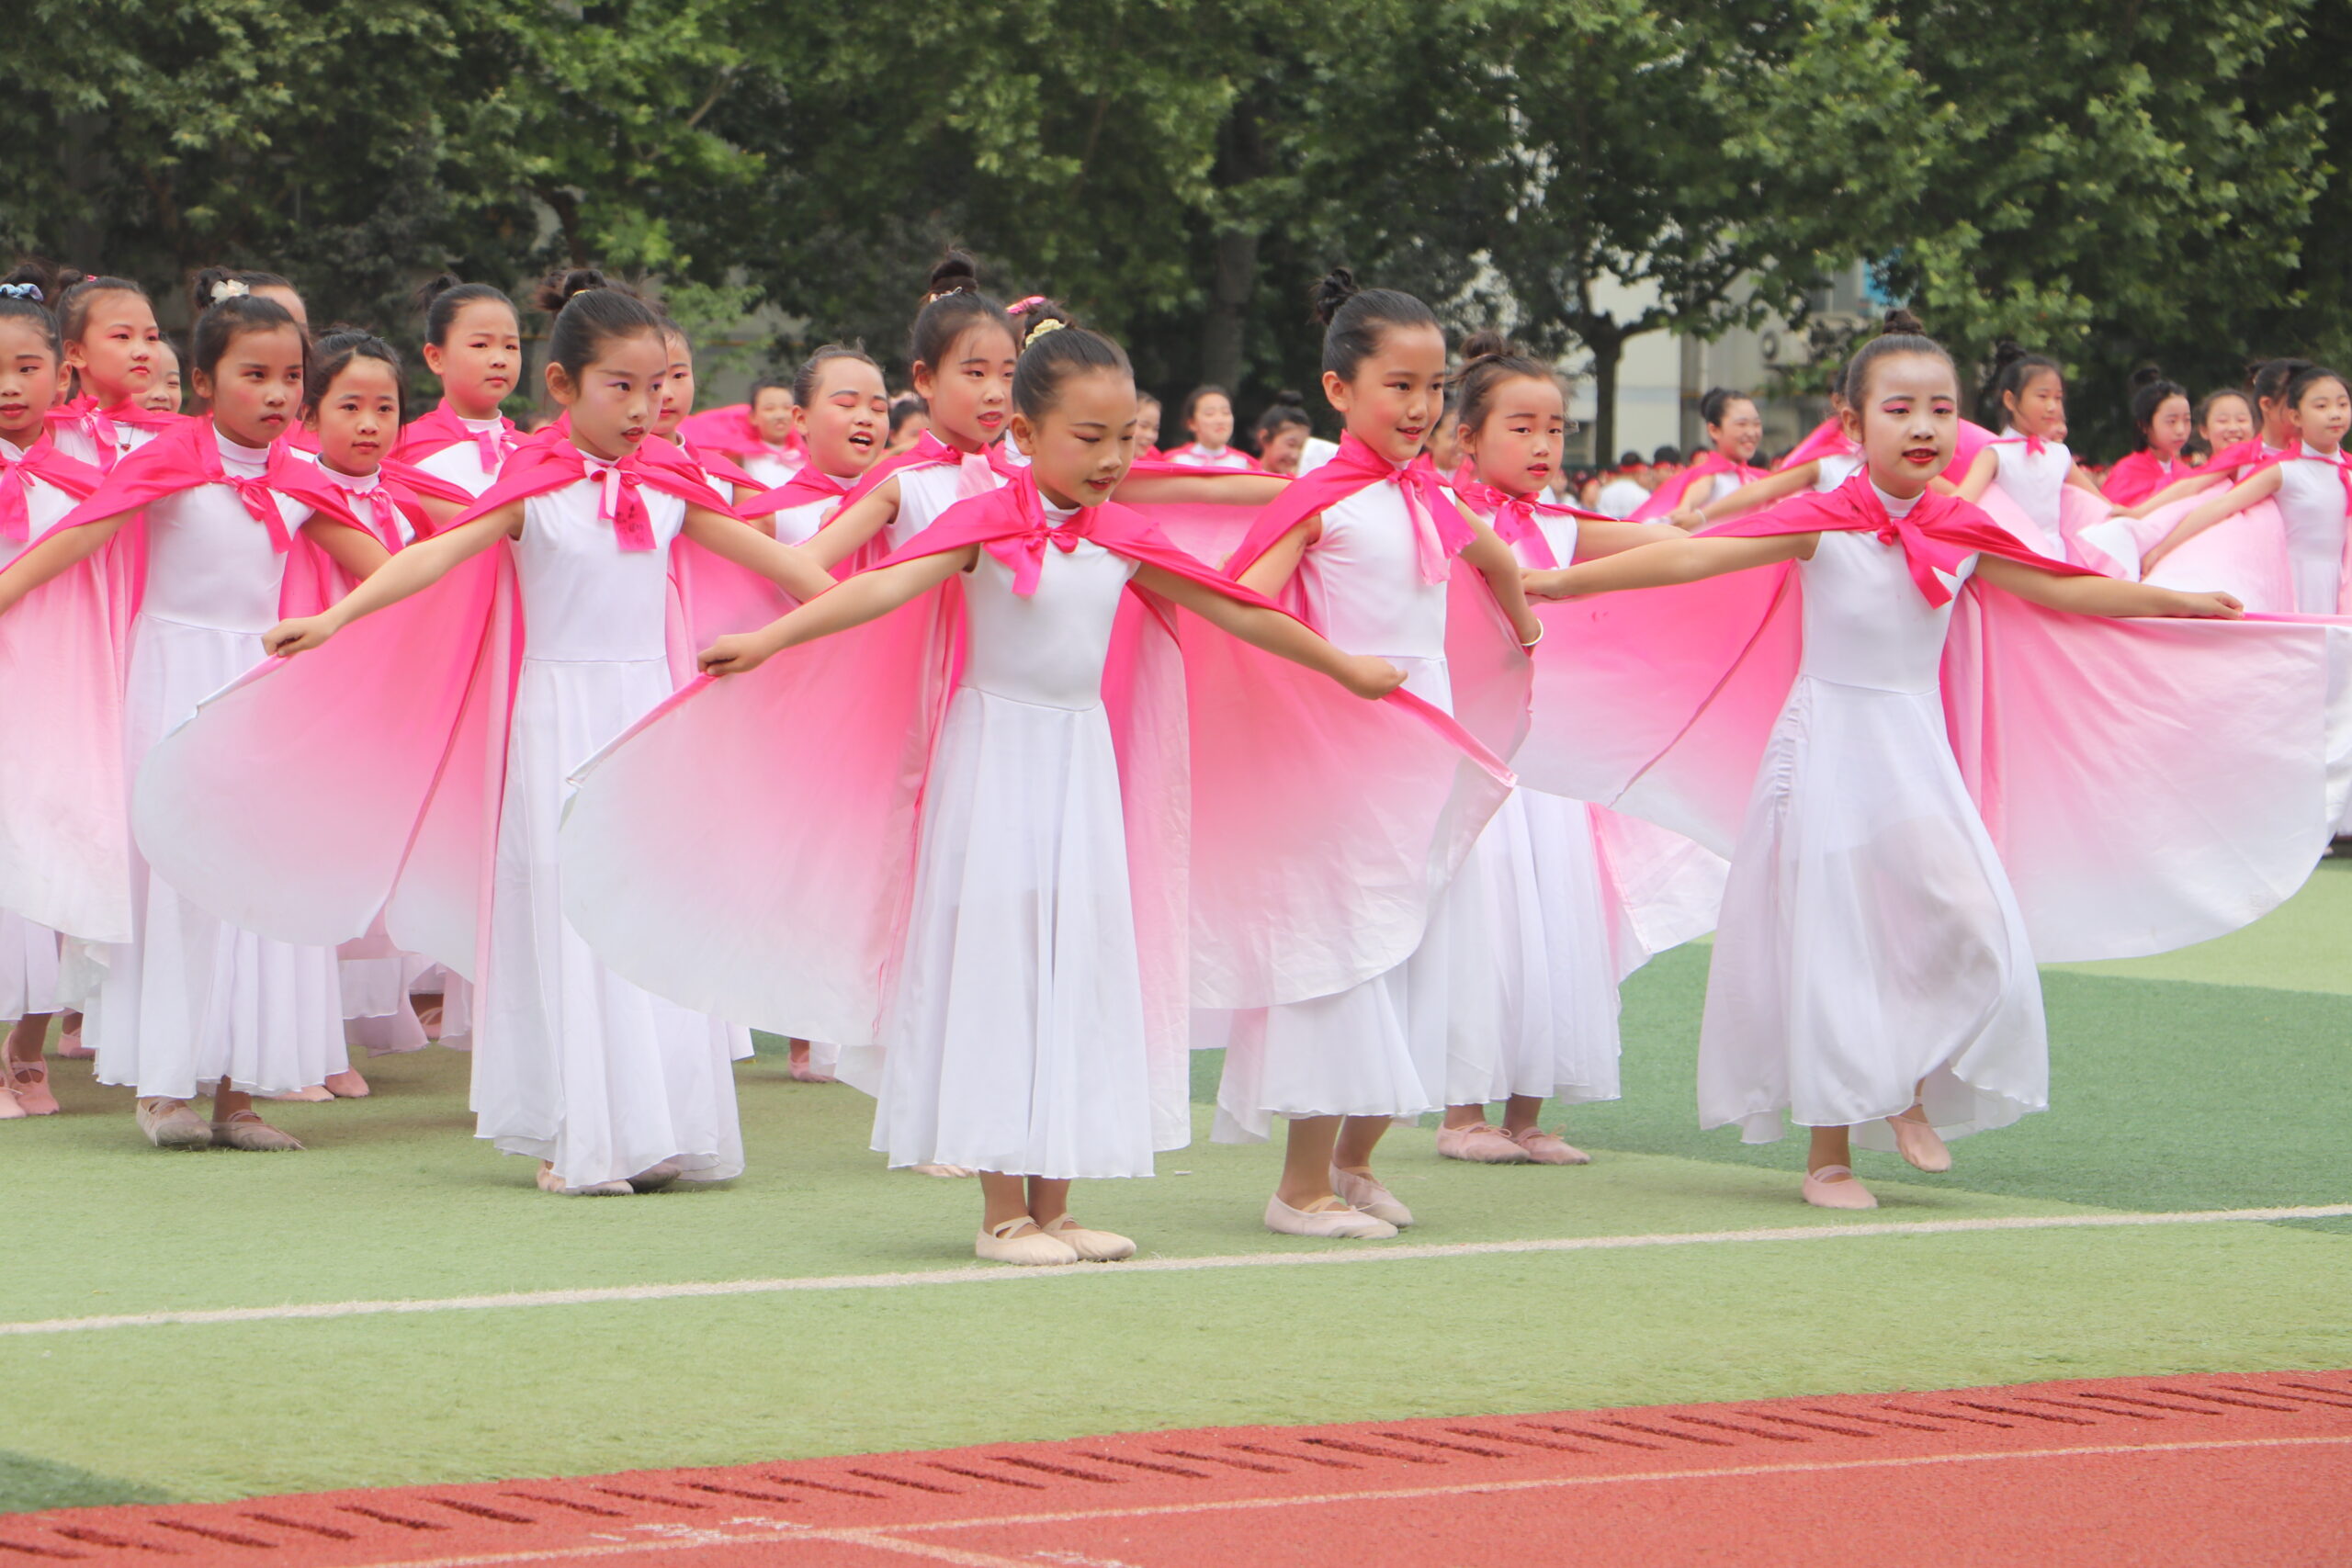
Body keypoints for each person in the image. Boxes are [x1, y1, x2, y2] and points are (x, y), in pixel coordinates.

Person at [555, 301, 1508, 1263]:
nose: (1110, 458)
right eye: (1087, 438)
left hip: (1080, 770)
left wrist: (1344, 668)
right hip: (991, 769)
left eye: (1125, 437)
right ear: (1025, 431)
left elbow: (1237, 608)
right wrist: (767, 640)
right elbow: (876, 588)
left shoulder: (1121, 534)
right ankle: (1001, 1211)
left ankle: (1058, 1203)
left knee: (1075, 965)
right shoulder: (979, 522)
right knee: (998, 969)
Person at [1518, 310, 2344, 1209]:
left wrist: (2172, 603)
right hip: (1824, 747)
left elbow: (2060, 588)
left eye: (1941, 410)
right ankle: (1829, 1156)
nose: (1923, 427)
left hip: (1914, 751)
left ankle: (1906, 1082)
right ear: (1852, 421)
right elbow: (1691, 557)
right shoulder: (1821, 519)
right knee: (1832, 943)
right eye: (1900, 409)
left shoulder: (1957, 526)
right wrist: (1560, 582)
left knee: (1970, 921)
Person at [144, 269, 837, 1194]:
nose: (643, 408)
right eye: (619, 387)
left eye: (657, 386)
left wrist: (821, 628)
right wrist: (334, 619)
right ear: (563, 386)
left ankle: (658, 1127)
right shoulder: (533, 488)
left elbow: (793, 570)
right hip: (554, 720)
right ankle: (572, 1134)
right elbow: (432, 557)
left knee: (641, 900)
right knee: (561, 908)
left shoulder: (670, 485)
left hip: (645, 715)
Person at [0, 288, 392, 1151]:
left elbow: (388, 571)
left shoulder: (298, 476)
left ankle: (237, 1095)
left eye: (291, 377)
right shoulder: (168, 458)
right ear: (206, 382)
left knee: (250, 875)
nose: (278, 394)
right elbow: (78, 536)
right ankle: (162, 1087)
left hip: (259, 686)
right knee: (175, 879)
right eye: (255, 375)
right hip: (171, 680)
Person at [1210, 268, 1544, 1238]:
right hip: (1343, 752)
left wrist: (1524, 626)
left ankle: (1352, 1164)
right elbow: (1240, 602)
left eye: (1434, 387)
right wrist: (1341, 668)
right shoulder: (1326, 498)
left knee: (1411, 949)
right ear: (1338, 390)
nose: (1421, 406)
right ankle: (1298, 1187)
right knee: (1342, 953)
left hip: (1419, 751)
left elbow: (1495, 557)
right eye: (1399, 386)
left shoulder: (1422, 494)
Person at [1437, 331, 1718, 1164]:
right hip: (1475, 752)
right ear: (1468, 437)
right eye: (1521, 427)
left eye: (1555, 429)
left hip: (1550, 763)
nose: (1543, 445)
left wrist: (1770, 536)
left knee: (1556, 923)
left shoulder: (1562, 527)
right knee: (1485, 926)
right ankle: (1462, 1112)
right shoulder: (1440, 515)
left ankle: (1526, 1115)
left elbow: (1674, 551)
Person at [0, 267, 105, 1120]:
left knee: (55, 851)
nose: (9, 385)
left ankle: (28, 1045)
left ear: (63, 373)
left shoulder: (89, 466)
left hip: (60, 683)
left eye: (27, 367)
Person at [2141, 365, 2351, 613]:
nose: (2335, 414)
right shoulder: (2283, 470)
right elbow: (2222, 505)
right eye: (2321, 406)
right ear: (2295, 417)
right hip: (2290, 582)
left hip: (2340, 583)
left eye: (2342, 404)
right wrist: (2162, 549)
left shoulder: (2347, 470)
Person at [1952, 342, 2108, 560]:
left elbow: (2100, 504)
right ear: (2010, 400)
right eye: (2043, 397)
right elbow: (1962, 501)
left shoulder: (2060, 454)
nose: (2052, 407)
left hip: (2055, 557)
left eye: (2058, 398)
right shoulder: (1996, 454)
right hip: (2012, 558)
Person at [396, 276, 524, 500]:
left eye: (511, 346)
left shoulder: (536, 453)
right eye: (480, 345)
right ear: (436, 357)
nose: (499, 359)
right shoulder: (401, 448)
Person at [44, 271, 176, 470]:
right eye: (122, 336)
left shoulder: (176, 435)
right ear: (75, 352)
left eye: (151, 338)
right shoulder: (48, 431)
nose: (142, 352)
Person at [1631, 392, 1762, 521]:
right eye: (1741, 424)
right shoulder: (1703, 477)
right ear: (1714, 430)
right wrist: (1686, 507)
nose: (1751, 433)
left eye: (1757, 424)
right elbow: (1701, 487)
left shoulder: (1761, 479)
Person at [2100, 367, 2194, 507]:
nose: (2181, 430)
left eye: (2186, 420)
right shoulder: (2125, 473)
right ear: (2144, 425)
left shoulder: (2187, 473)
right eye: (2171, 421)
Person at [1165, 384, 1254, 470]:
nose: (1220, 420)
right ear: (1192, 423)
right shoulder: (1174, 461)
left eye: (1226, 413)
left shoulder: (1245, 464)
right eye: (1210, 414)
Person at [1254, 390, 1314, 476]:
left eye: (1301, 448)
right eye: (1291, 444)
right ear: (1264, 437)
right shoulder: (1243, 477)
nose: (1295, 455)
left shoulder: (1299, 482)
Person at [1593, 453, 1651, 519]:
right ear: (1638, 472)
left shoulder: (1603, 492)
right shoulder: (1642, 494)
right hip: (1633, 525)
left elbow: (1599, 514)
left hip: (1608, 525)